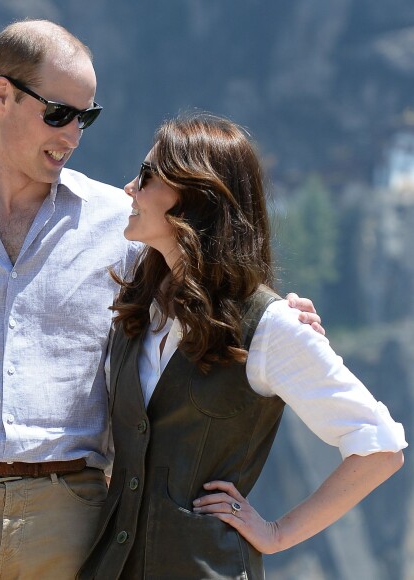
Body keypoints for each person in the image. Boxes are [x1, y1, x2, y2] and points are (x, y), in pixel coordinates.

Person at [0, 20, 322, 580]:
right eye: (58, 113)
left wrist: (271, 318)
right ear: (1, 95)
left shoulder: (121, 223)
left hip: (77, 518)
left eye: (85, 117)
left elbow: (201, 293)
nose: (72, 135)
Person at [76, 113, 407, 580]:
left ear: (194, 196)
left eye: (148, 175)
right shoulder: (139, 307)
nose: (130, 186)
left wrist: (276, 534)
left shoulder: (270, 326)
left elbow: (381, 448)